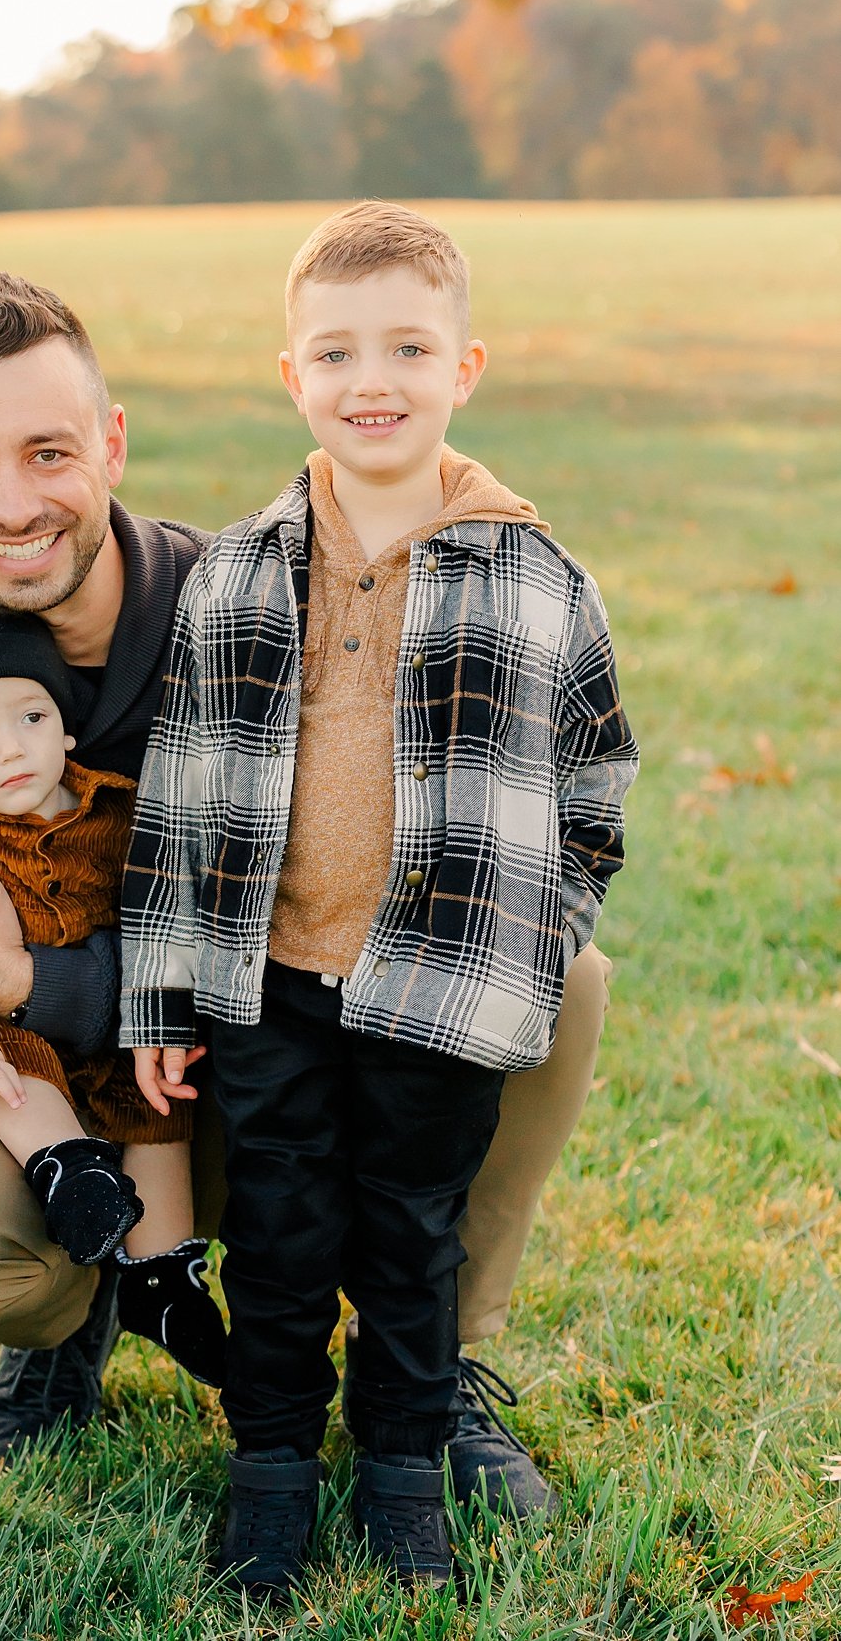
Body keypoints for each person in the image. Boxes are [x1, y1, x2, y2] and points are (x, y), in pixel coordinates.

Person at [0, 267, 618, 1501]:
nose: (14, 502)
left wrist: (44, 978)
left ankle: (436, 1362)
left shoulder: (241, 603)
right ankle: (67, 1317)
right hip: (49, 1096)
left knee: (555, 974)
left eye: (49, 451)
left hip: (289, 1048)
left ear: (114, 443)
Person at [123, 202, 639, 1596]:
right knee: (284, 1233)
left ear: (466, 365)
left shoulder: (536, 576)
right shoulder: (237, 571)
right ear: (291, 374)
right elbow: (178, 799)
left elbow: (596, 786)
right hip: (271, 976)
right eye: (338, 349)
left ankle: (405, 1467)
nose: (375, 378)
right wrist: (167, 992)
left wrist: (527, 944)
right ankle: (272, 1469)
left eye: (410, 345)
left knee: (414, 1231)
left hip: (441, 979)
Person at [0, 594, 225, 1383]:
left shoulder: (118, 807)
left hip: (123, 1038)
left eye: (31, 719)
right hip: (2, 1041)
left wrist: (160, 1010)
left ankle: (163, 1281)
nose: (10, 749)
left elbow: (166, 909)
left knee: (158, 1109)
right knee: (13, 1070)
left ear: (67, 728)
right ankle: (67, 1169)